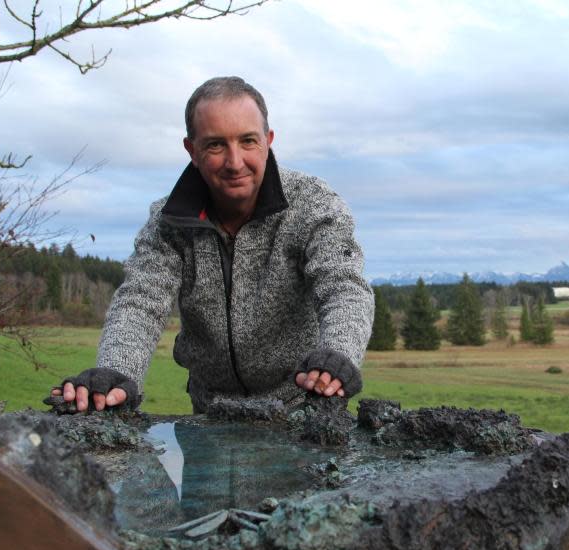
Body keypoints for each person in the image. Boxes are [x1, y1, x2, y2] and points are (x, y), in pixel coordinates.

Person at [51, 76, 374, 413]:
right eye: (216, 145)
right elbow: (140, 300)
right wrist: (116, 372)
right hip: (210, 416)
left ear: (269, 141)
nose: (235, 162)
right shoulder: (168, 221)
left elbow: (344, 287)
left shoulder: (313, 203)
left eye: (248, 141)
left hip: (301, 408)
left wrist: (337, 354)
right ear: (192, 150)